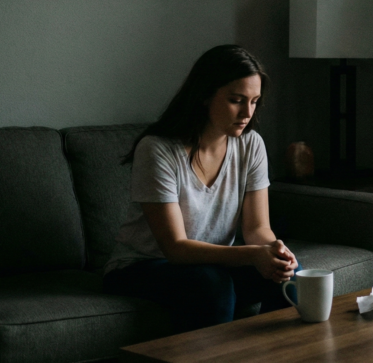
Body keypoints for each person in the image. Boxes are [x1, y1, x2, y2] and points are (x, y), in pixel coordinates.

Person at [103, 45, 298, 333]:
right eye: (236, 100)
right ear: (205, 95)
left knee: (292, 278)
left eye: (255, 101)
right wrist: (252, 255)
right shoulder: (157, 149)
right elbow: (176, 249)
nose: (247, 112)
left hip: (211, 265)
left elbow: (257, 228)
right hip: (142, 266)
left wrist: (275, 251)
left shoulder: (251, 144)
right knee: (210, 284)